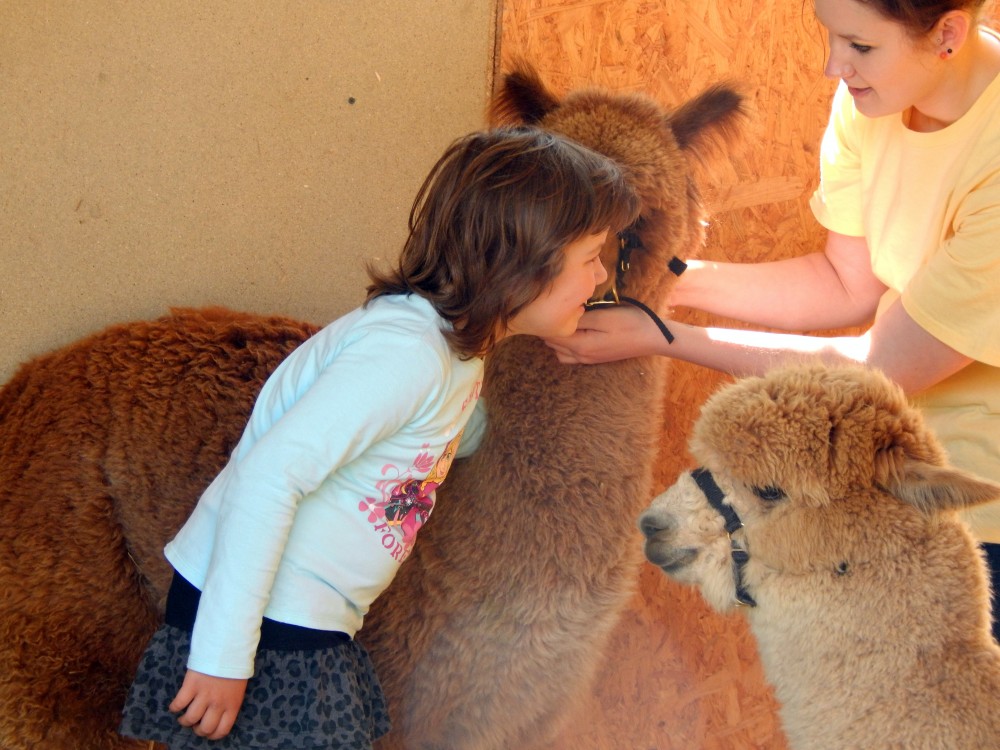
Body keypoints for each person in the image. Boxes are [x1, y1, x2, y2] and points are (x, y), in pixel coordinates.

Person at [118, 126, 640, 749]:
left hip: (303, 618)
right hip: (261, 621)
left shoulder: (455, 355)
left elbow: (430, 434)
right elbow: (267, 477)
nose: (602, 277)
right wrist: (224, 655)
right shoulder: (404, 353)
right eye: (590, 258)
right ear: (524, 264)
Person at [548, 0, 1000, 639]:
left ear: (948, 34)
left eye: (858, 46)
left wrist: (663, 334)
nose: (831, 66)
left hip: (977, 509)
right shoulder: (873, 99)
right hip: (883, 492)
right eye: (829, 37)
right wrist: (668, 280)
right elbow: (843, 284)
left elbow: (882, 367)